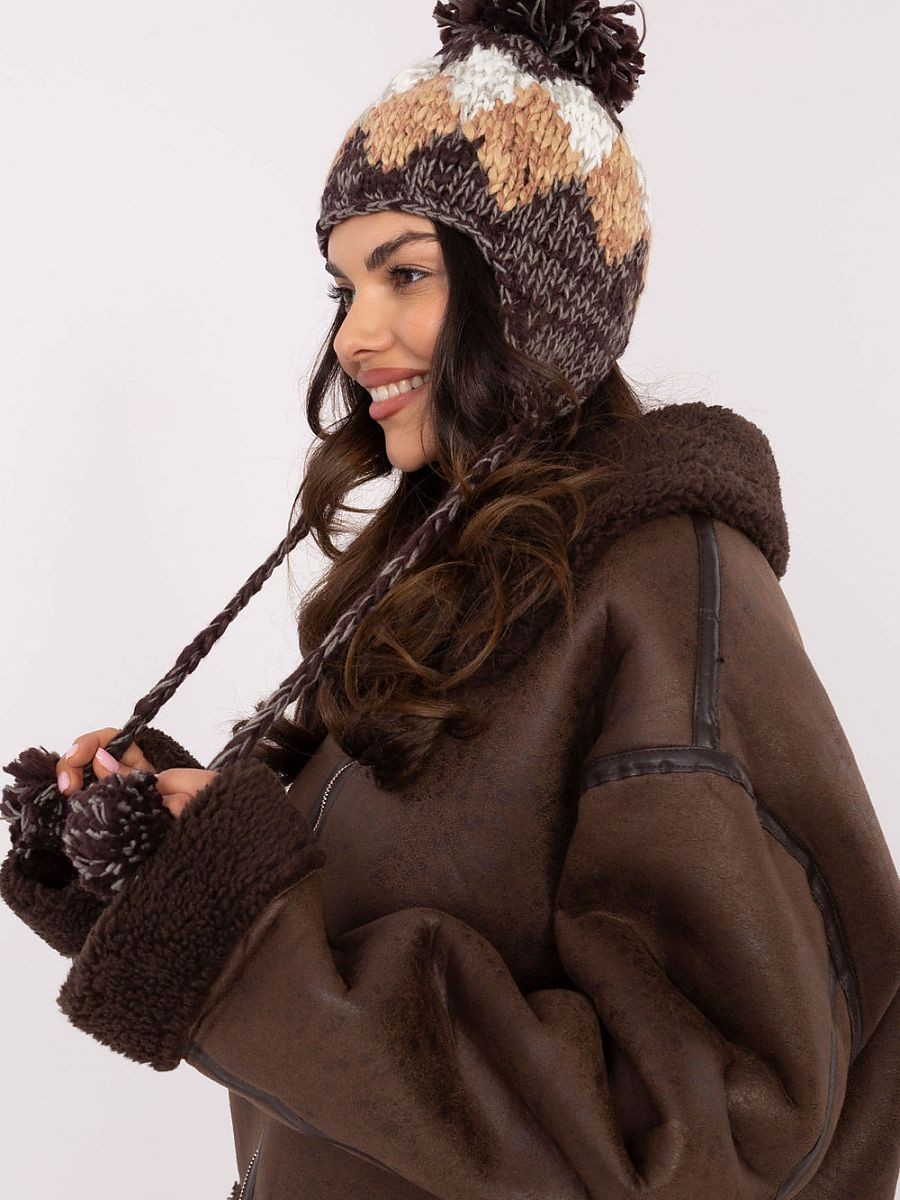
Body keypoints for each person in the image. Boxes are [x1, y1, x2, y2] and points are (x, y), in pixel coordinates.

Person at [2, 3, 899, 1198]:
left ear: (537, 296)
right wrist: (171, 861)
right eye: (344, 286)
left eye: (407, 273)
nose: (355, 335)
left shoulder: (663, 592)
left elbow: (704, 1146)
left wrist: (242, 938)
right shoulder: (456, 589)